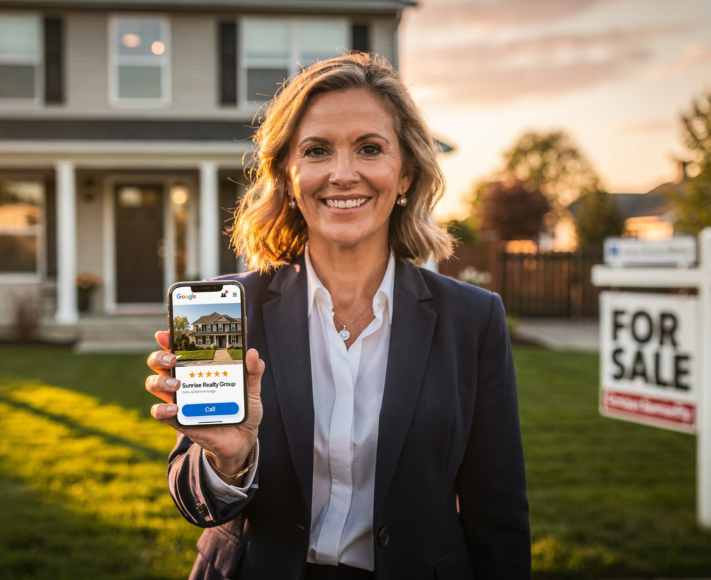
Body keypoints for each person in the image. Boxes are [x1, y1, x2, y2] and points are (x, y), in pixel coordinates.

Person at [144, 53, 530, 580]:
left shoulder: (474, 318)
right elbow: (198, 504)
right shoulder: (220, 310)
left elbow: (498, 509)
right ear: (287, 174)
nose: (343, 174)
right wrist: (227, 462)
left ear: (405, 173)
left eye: (370, 149)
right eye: (317, 151)